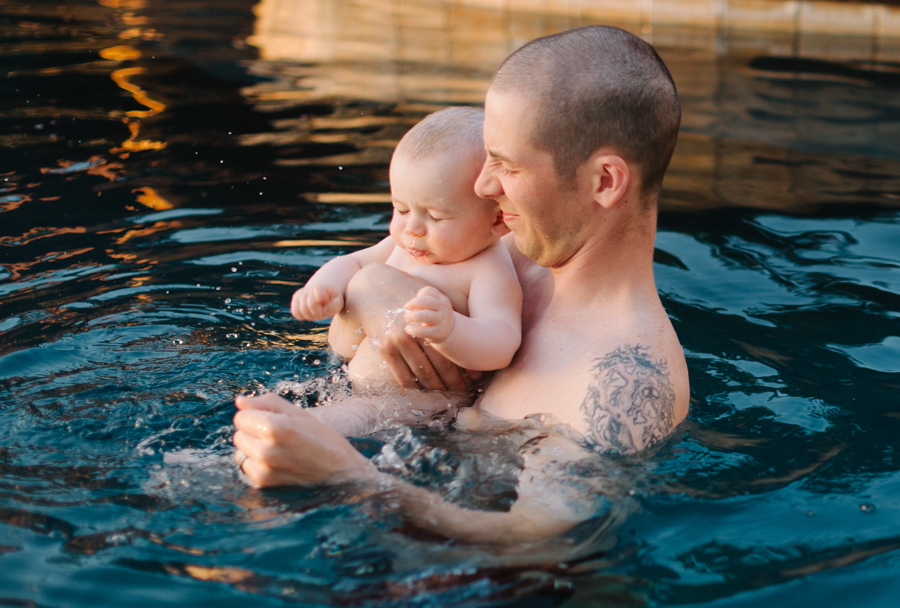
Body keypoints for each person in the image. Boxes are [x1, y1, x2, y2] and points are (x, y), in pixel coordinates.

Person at [233, 25, 691, 544]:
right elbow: (345, 339)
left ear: (604, 181)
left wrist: (346, 477)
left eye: (508, 166)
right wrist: (372, 290)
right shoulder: (505, 248)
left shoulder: (623, 377)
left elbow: (540, 543)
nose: (482, 186)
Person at [288, 107, 521, 436]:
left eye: (435, 217)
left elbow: (502, 342)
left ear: (497, 219)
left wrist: (452, 331)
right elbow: (354, 263)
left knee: (317, 426)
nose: (412, 229)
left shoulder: (487, 270)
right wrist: (324, 286)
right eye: (401, 208)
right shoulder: (404, 245)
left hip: (422, 404)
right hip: (349, 383)